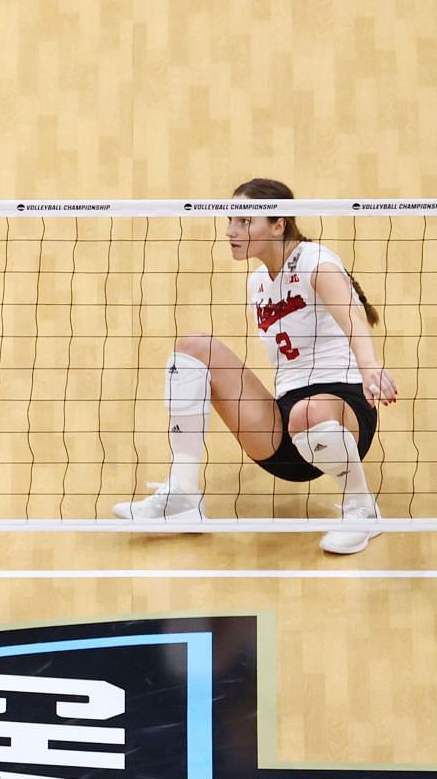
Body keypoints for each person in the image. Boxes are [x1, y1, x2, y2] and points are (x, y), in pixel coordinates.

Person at [114, 178, 397, 555]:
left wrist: (371, 368)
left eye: (245, 221)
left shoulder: (316, 261)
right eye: (231, 219)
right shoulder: (258, 282)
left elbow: (354, 318)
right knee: (193, 348)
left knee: (307, 412)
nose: (232, 230)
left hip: (345, 411)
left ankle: (361, 509)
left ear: (279, 224)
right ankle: (181, 496)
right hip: (284, 428)